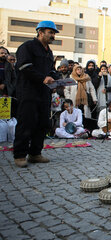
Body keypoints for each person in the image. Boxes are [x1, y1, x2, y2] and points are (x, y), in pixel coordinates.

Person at [13, 20, 58, 167]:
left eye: (54, 33)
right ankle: (20, 155)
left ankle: (35, 153)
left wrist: (55, 79)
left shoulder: (49, 52)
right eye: (50, 32)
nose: (53, 35)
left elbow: (50, 70)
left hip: (44, 93)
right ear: (40, 32)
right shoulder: (27, 47)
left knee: (42, 123)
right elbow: (25, 67)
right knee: (26, 123)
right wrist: (43, 78)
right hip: (28, 92)